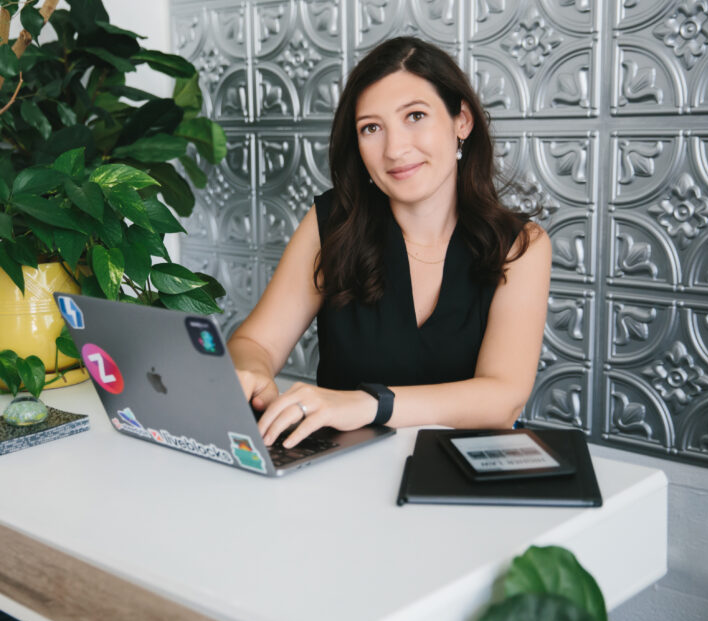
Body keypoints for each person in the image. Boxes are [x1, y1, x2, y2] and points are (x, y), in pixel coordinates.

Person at [227, 36, 552, 449]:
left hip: (459, 485)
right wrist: (251, 373)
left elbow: (502, 399)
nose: (395, 149)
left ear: (462, 121)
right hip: (342, 476)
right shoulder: (333, 224)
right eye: (372, 128)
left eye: (415, 116)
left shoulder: (521, 245)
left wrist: (368, 405)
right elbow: (254, 343)